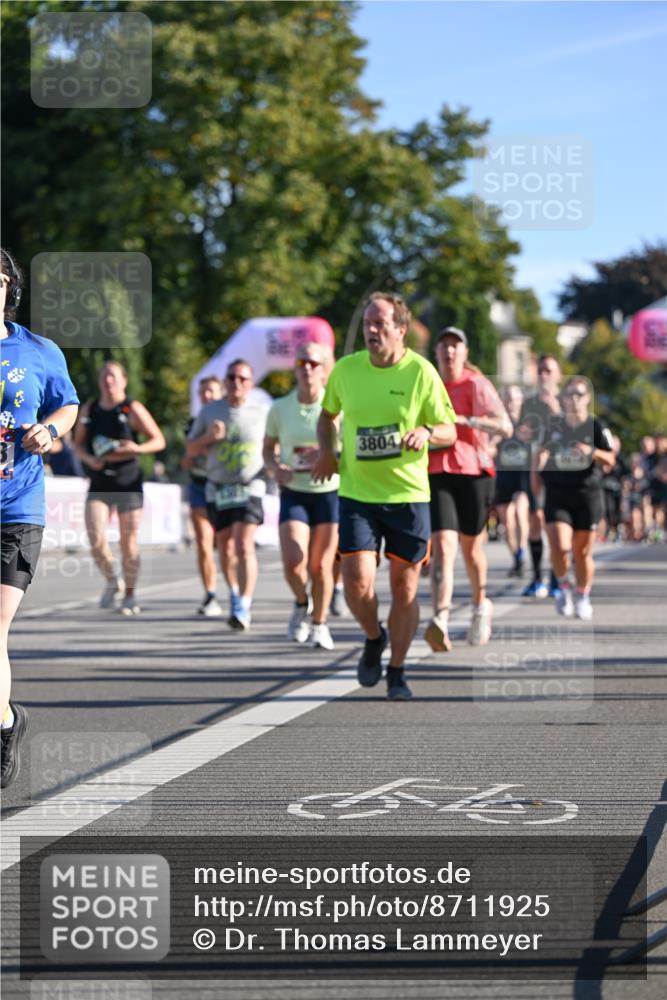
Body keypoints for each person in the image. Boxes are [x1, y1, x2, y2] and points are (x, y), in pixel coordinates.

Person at [313, 292, 456, 700]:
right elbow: (327, 417)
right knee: (356, 581)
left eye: (380, 324)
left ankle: (397, 670)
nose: (372, 331)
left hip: (408, 494)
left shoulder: (421, 372)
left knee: (405, 588)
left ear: (401, 330)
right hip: (357, 493)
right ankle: (375, 637)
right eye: (367, 324)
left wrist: (427, 432)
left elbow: (449, 429)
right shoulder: (346, 370)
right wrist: (327, 450)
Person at [0, 248, 79, 788]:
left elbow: (68, 405)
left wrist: (48, 430)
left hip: (16, 509)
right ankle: (8, 719)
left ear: (9, 287)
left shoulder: (38, 351)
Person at [425, 327, 512, 653]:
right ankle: (440, 619)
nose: (449, 351)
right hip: (437, 470)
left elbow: (505, 426)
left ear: (465, 352)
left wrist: (467, 421)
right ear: (436, 352)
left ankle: (479, 605)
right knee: (443, 545)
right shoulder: (429, 383)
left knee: (471, 550)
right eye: (444, 346)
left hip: (474, 471)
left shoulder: (476, 384)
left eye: (455, 346)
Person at [73, 362, 166, 615]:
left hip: (128, 480)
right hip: (100, 480)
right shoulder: (90, 408)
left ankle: (130, 595)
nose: (108, 381)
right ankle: (113, 580)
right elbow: (77, 443)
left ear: (124, 381)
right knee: (96, 538)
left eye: (113, 376)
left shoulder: (131, 408)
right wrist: (89, 459)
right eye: (104, 376)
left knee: (128, 542)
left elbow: (158, 440)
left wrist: (138, 449)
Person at [263, 342, 339, 650]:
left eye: (313, 363)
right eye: (301, 363)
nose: (307, 368)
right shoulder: (280, 408)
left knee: (320, 567)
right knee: (294, 561)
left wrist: (330, 457)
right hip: (295, 491)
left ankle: (320, 624)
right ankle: (300, 602)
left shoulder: (336, 407)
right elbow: (267, 448)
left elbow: (349, 447)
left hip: (329, 493)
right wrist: (275, 468)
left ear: (324, 370)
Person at [186, 359, 267, 631]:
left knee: (244, 544)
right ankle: (233, 592)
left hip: (250, 486)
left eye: (242, 378)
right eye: (232, 377)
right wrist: (208, 438)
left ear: (251, 384)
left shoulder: (260, 413)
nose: (236, 383)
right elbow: (190, 450)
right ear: (225, 381)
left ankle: (244, 604)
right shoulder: (210, 412)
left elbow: (273, 445)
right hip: (219, 488)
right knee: (225, 546)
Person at [535, 375, 615, 620]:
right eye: (569, 394)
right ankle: (563, 588)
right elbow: (540, 453)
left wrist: (591, 452)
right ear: (563, 399)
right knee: (559, 546)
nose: (574, 399)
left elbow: (611, 459)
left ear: (587, 398)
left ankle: (582, 595)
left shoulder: (596, 426)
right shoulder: (553, 425)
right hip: (557, 493)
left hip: (587, 495)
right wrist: (536, 480)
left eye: (579, 394)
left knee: (582, 553)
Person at [518, 353, 563, 599]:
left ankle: (557, 578)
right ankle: (537, 578)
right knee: (536, 518)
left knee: (555, 524)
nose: (544, 375)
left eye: (549, 371)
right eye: (541, 371)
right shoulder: (530, 403)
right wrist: (525, 432)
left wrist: (557, 412)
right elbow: (522, 432)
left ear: (558, 375)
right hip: (535, 466)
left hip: (560, 471)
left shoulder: (566, 401)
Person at [182, 376, 224, 616]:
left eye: (211, 391)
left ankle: (238, 593)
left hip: (224, 487)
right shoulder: (193, 423)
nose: (206, 396)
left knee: (228, 546)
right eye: (203, 392)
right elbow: (187, 459)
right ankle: (210, 595)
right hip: (199, 486)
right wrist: (206, 439)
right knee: (203, 542)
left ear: (220, 394)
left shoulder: (230, 418)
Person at [494, 385, 531, 578]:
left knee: (519, 513)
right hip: (503, 475)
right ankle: (516, 557)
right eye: (507, 399)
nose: (511, 403)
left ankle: (522, 551)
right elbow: (490, 447)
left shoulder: (528, 422)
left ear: (521, 401)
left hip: (522, 475)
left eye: (515, 399)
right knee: (507, 521)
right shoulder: (498, 423)